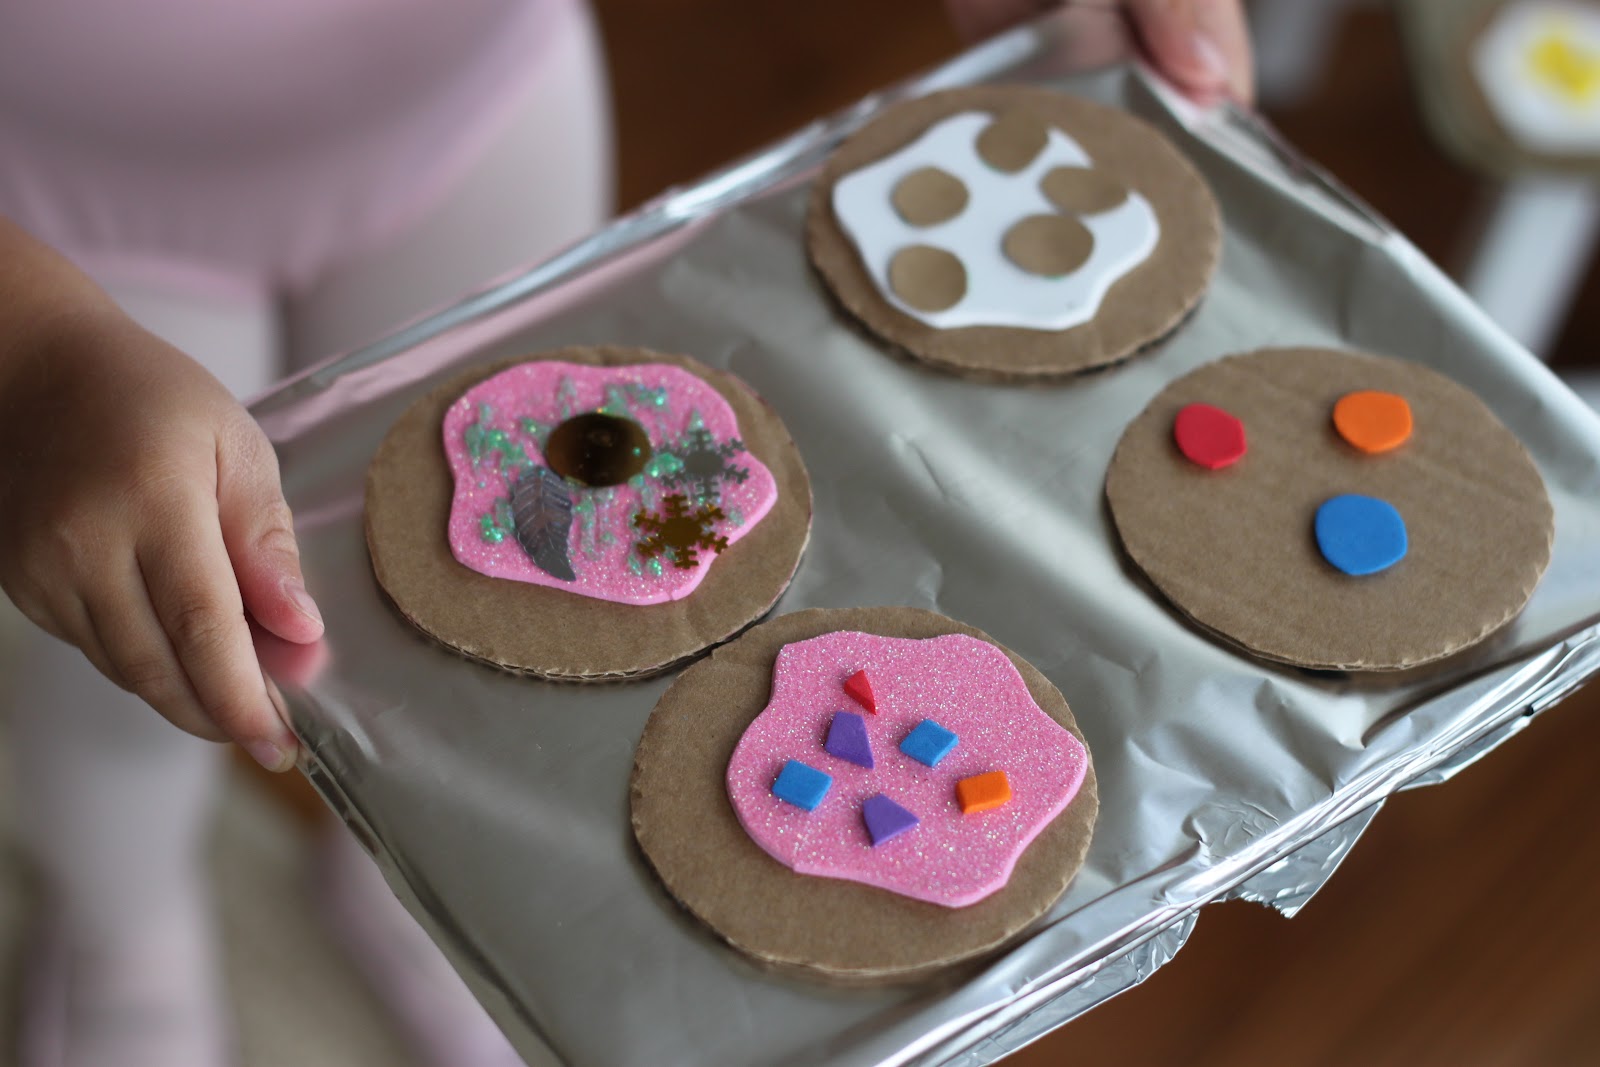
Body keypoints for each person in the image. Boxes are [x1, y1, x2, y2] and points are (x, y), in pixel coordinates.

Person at [0, 1, 1251, 1064]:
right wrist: (31, 348)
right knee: (138, 655)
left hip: (477, 110)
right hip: (61, 234)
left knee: (465, 632)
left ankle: (396, 882)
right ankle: (118, 919)